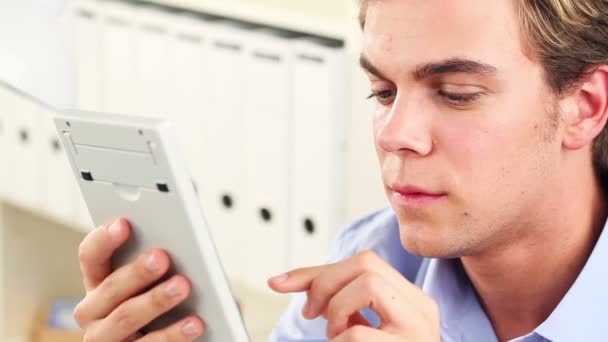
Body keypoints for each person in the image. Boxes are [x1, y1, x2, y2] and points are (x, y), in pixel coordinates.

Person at [72, 0, 608, 341]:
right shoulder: (370, 262)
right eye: (382, 92)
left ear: (584, 106)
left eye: (456, 95)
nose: (393, 134)